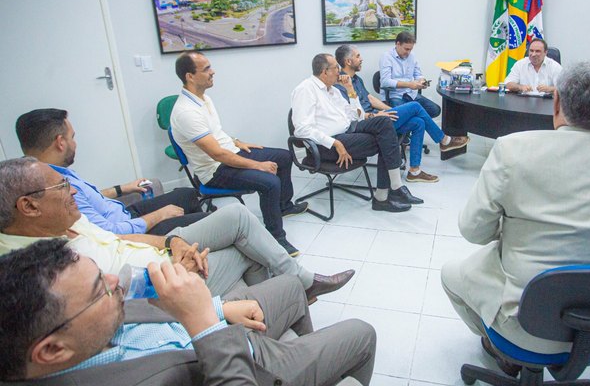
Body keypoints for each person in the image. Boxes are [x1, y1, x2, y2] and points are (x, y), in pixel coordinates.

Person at [442, 61, 590, 360]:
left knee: (450, 274)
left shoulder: (514, 149)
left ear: (556, 101)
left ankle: (498, 349)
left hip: (525, 325)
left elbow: (473, 230)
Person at [0, 239, 376, 386]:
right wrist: (208, 327)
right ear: (51, 350)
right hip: (241, 370)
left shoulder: (77, 325)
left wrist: (216, 310)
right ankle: (297, 382)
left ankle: (309, 370)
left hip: (217, 328)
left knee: (292, 286)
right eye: (101, 289)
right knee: (361, 334)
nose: (116, 282)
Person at [0, 157, 354, 301]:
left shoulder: (63, 219)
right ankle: (296, 297)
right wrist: (167, 272)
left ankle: (295, 295)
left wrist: (172, 241)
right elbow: (112, 301)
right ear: (28, 205)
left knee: (239, 218)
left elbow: (119, 238)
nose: (73, 191)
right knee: (251, 254)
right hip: (159, 290)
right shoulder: (27, 266)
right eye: (62, 188)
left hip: (163, 257)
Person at [170, 51, 306, 256]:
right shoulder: (186, 112)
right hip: (215, 171)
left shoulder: (203, 99)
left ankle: (284, 207)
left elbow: (215, 134)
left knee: (284, 157)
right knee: (270, 182)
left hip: (229, 153)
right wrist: (258, 165)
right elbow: (217, 155)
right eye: (206, 69)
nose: (212, 71)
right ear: (190, 76)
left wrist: (236, 142)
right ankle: (276, 238)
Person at [15, 108, 209, 236]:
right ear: (60, 142)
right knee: (210, 221)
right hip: (132, 232)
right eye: (72, 137)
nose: (75, 143)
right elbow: (109, 233)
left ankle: (198, 242)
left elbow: (88, 199)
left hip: (124, 213)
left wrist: (121, 188)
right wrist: (160, 215)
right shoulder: (56, 187)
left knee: (188, 195)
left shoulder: (48, 171)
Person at [291, 53, 423, 212]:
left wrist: (350, 89)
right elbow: (301, 129)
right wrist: (334, 143)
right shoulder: (305, 90)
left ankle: (393, 189)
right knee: (386, 139)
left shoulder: (333, 90)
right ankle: (386, 194)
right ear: (324, 72)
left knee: (384, 122)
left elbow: (356, 115)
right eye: (336, 68)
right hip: (327, 145)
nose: (340, 72)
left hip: (347, 131)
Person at [335, 44, 469, 183]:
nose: (361, 59)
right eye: (357, 56)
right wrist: (376, 116)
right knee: (415, 106)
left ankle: (414, 171)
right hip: (368, 123)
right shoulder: (340, 85)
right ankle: (444, 140)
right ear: (348, 62)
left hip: (378, 115)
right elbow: (351, 115)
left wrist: (388, 110)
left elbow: (370, 98)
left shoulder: (357, 79)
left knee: (418, 122)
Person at [378, 31, 441, 118]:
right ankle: (414, 123)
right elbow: (385, 82)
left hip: (411, 94)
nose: (408, 52)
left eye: (410, 49)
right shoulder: (386, 57)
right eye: (406, 49)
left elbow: (418, 74)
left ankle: (414, 121)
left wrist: (422, 81)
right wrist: (409, 84)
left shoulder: (412, 56)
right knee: (405, 116)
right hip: (395, 95)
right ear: (398, 44)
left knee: (435, 110)